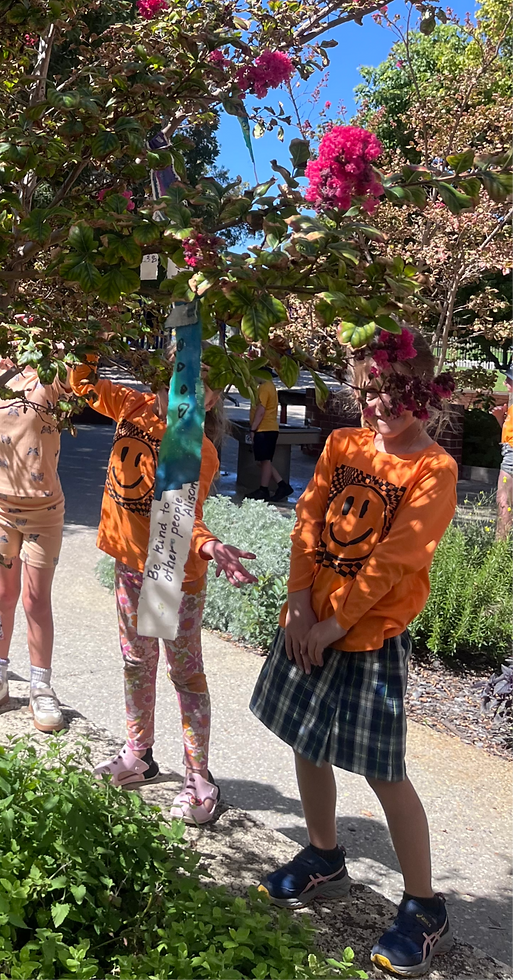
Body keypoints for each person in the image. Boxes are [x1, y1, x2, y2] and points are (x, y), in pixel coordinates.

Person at [249, 327, 457, 977]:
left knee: (383, 771)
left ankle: (425, 906)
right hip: (314, 623)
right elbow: (309, 521)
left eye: (395, 393)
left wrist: (333, 623)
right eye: (367, 392)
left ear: (426, 394)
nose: (378, 407)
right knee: (306, 744)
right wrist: (302, 603)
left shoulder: (434, 470)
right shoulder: (343, 445)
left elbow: (396, 560)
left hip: (366, 639)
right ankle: (324, 855)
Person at [71, 352, 257, 825]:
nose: (182, 397)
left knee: (184, 674)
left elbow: (183, 520)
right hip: (130, 567)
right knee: (136, 661)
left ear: (213, 399)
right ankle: (140, 754)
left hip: (171, 575)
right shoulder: (133, 407)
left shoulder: (198, 450)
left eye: (197, 390)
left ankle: (199, 776)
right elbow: (82, 383)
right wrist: (98, 337)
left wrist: (212, 547)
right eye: (174, 384)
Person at [0, 365, 70, 732]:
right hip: (0, 508)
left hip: (44, 512)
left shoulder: (54, 373)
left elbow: (87, 356)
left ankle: (41, 686)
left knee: (35, 600)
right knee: (2, 595)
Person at [248, 372, 293, 502]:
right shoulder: (269, 386)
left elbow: (261, 410)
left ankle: (264, 489)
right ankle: (282, 485)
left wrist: (253, 428)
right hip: (267, 429)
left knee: (265, 460)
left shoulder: (265, 387)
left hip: (264, 429)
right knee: (262, 461)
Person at [495, 369, 513, 540]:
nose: (505, 382)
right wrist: (501, 418)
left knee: (503, 502)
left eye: (509, 379)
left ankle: (500, 550)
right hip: (508, 452)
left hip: (511, 458)